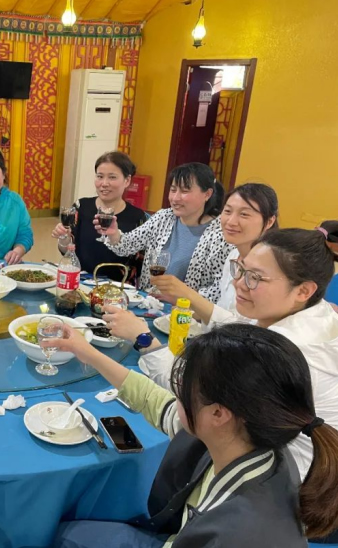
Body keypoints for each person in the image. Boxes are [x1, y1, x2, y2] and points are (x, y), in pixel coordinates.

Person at [46, 323, 338, 547]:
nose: (176, 394)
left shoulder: (239, 532)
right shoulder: (248, 438)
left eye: (182, 387)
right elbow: (154, 401)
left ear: (218, 414)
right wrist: (87, 352)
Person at [106, 228, 338, 481]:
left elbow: (190, 393)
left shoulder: (280, 353)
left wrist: (143, 338)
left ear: (303, 291)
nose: (238, 283)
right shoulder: (316, 312)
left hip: (274, 482)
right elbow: (238, 323)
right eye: (240, 269)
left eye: (255, 278)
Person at [98, 162, 232, 302]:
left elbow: (218, 290)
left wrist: (179, 298)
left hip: (186, 312)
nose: (175, 198)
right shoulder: (164, 217)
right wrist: (113, 233)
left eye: (184, 191)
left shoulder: (221, 234)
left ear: (207, 194)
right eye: (173, 190)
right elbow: (127, 246)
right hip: (148, 304)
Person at [148, 182, 278, 318]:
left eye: (244, 214)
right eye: (227, 211)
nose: (231, 221)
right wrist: (184, 306)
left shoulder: (270, 269)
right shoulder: (233, 256)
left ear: (269, 221)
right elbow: (222, 309)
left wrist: (187, 294)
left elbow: (245, 324)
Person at [51, 151, 147, 280]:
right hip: (80, 282)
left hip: (117, 287)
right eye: (100, 176)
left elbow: (139, 264)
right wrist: (63, 238)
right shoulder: (81, 206)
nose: (104, 183)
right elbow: (67, 251)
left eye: (112, 177)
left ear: (127, 180)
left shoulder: (137, 217)